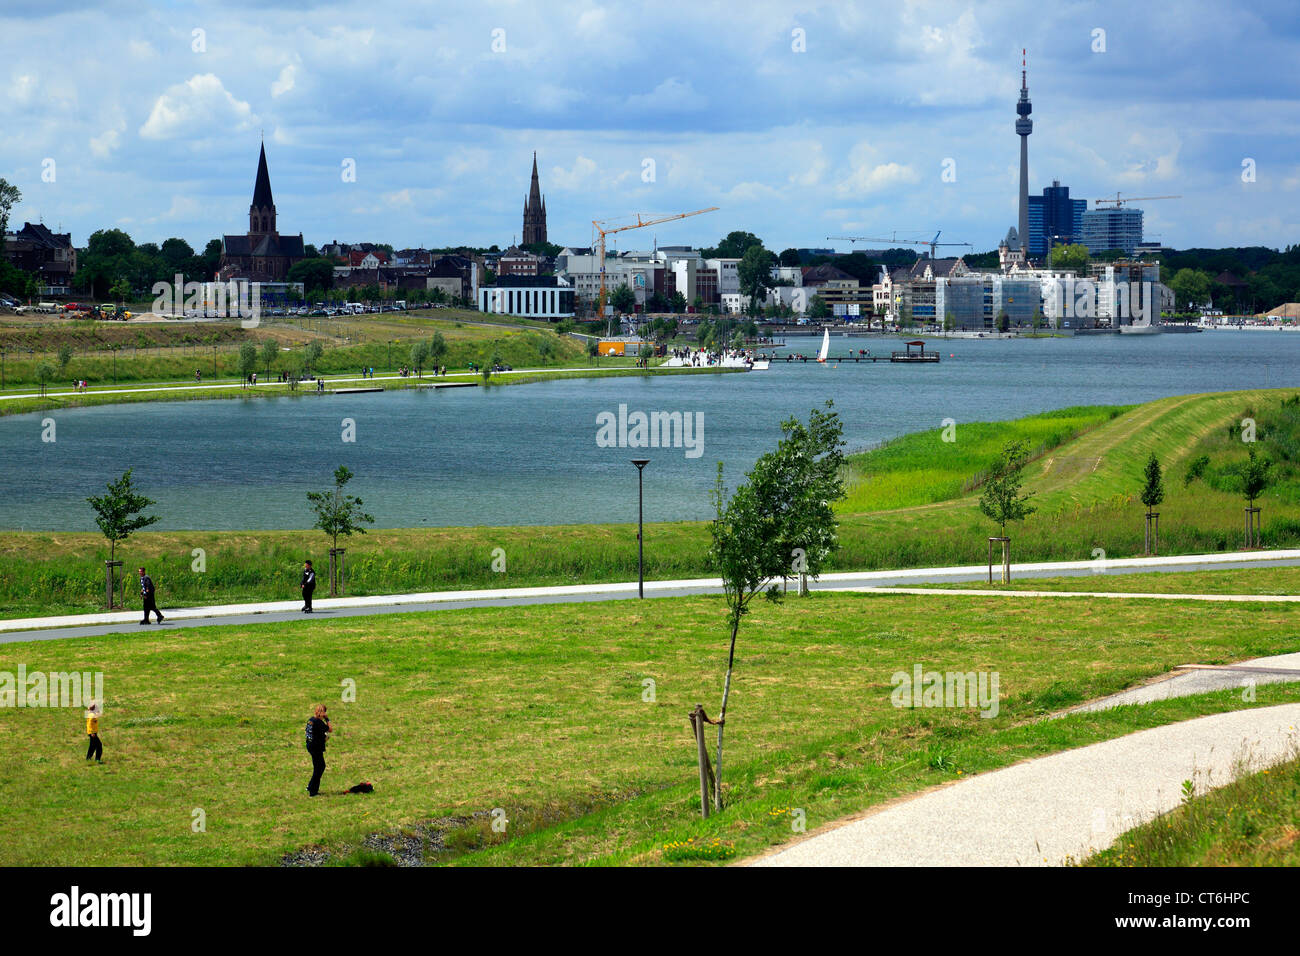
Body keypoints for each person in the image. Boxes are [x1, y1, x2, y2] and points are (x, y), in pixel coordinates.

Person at [305, 703, 333, 796]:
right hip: (316, 748)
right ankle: (313, 791)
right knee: (320, 767)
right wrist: (327, 719)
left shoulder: (311, 720)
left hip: (310, 746)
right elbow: (330, 729)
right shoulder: (318, 722)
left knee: (318, 767)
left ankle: (310, 786)